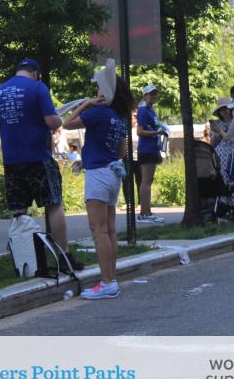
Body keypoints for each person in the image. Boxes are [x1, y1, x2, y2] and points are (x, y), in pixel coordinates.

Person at [0, 58, 83, 270]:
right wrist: (57, 121)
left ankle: (23, 260)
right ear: (35, 73)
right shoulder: (37, 87)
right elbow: (52, 121)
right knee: (54, 204)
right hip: (38, 157)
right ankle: (64, 256)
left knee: (18, 209)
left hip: (12, 160)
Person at [62, 65, 135, 300]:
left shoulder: (99, 112)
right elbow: (122, 151)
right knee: (110, 230)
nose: (97, 92)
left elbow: (66, 123)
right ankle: (111, 279)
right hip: (112, 173)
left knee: (98, 230)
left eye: (99, 88)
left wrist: (86, 104)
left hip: (98, 174)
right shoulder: (119, 117)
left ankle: (107, 283)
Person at [135, 84, 166, 224]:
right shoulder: (142, 110)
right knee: (146, 181)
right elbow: (139, 131)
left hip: (153, 148)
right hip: (146, 149)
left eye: (155, 94)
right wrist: (156, 132)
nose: (154, 96)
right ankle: (144, 213)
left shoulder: (151, 110)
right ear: (145, 96)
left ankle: (147, 212)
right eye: (151, 94)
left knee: (148, 181)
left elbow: (155, 128)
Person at [209, 97, 234, 219]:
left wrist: (221, 132)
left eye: (226, 108)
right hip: (220, 156)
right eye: (221, 110)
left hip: (233, 155)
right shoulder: (217, 124)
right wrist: (217, 133)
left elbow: (232, 138)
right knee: (223, 181)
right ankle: (224, 210)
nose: (224, 111)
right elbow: (212, 143)